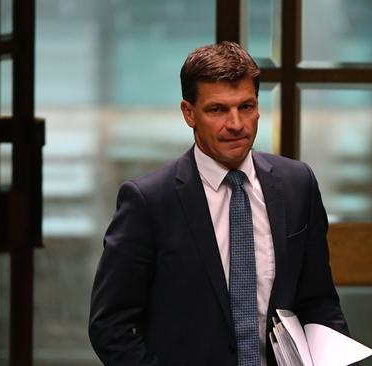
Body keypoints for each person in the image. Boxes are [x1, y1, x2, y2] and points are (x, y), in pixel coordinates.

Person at [89, 41, 350, 366]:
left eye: (246, 106)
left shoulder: (297, 185)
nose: (236, 124)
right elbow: (109, 326)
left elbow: (319, 302)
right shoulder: (149, 202)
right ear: (189, 113)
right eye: (217, 110)